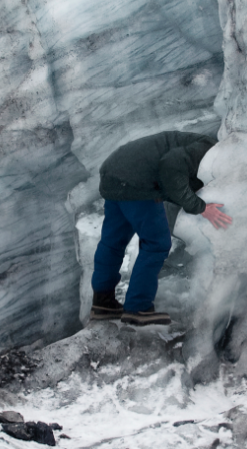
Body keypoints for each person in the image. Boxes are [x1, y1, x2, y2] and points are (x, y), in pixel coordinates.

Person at [89, 130, 232, 326]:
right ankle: (137, 308)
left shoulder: (191, 145)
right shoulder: (210, 149)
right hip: (137, 180)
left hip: (113, 172)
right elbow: (171, 166)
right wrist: (201, 207)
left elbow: (176, 183)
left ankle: (102, 303)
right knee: (157, 243)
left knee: (113, 243)